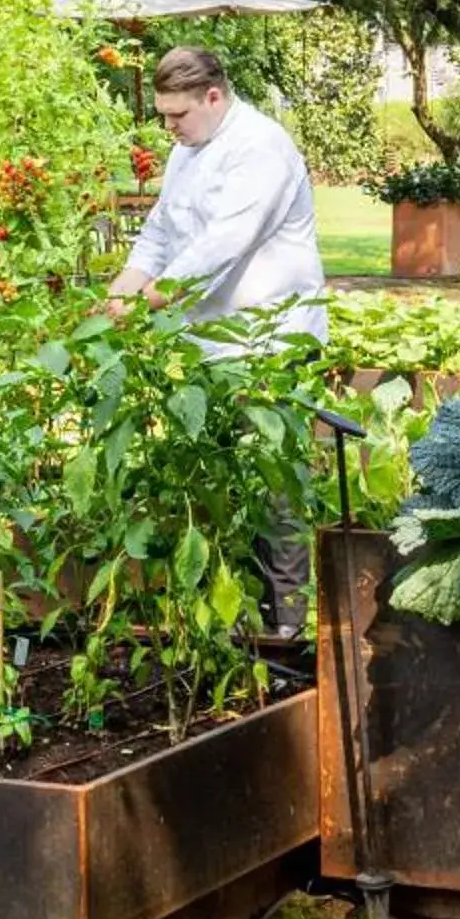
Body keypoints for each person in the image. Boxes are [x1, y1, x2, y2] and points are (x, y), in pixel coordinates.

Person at [103, 46, 328, 631]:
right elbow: (161, 228)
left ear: (213, 96)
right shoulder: (188, 149)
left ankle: (286, 628)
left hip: (270, 343)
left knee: (275, 491)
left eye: (178, 115)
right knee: (223, 486)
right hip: (212, 346)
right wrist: (124, 283)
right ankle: (234, 625)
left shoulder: (261, 148)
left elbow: (222, 243)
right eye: (163, 116)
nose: (169, 128)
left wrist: (152, 298)